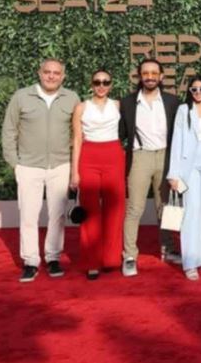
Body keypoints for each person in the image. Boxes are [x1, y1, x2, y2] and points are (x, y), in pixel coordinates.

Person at [2, 59, 80, 282]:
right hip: (28, 166)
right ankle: (30, 261)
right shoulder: (22, 97)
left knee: (57, 215)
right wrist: (15, 163)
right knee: (28, 215)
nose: (51, 76)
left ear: (63, 76)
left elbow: (77, 133)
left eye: (56, 73)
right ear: (39, 73)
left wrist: (73, 165)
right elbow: (9, 130)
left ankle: (53, 258)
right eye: (47, 72)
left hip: (60, 165)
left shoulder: (71, 98)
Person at [120, 57, 181, 276]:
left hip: (166, 156)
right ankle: (129, 256)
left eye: (154, 73)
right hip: (140, 156)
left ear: (161, 76)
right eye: (145, 73)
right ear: (139, 76)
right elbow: (120, 133)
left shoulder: (173, 102)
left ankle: (168, 248)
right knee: (134, 208)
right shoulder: (127, 102)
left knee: (165, 207)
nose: (150, 77)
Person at [70, 69, 125, 280]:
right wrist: (74, 172)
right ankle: (92, 262)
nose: (101, 86)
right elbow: (77, 140)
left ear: (111, 84)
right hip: (89, 157)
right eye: (97, 82)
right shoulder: (81, 107)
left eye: (106, 82)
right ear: (91, 84)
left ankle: (111, 259)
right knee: (90, 209)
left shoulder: (117, 105)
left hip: (113, 156)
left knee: (115, 208)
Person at [167, 76, 201, 280]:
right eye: (194, 89)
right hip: (189, 164)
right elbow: (176, 140)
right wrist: (173, 173)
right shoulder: (184, 110)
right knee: (191, 210)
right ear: (189, 91)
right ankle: (190, 262)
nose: (198, 92)